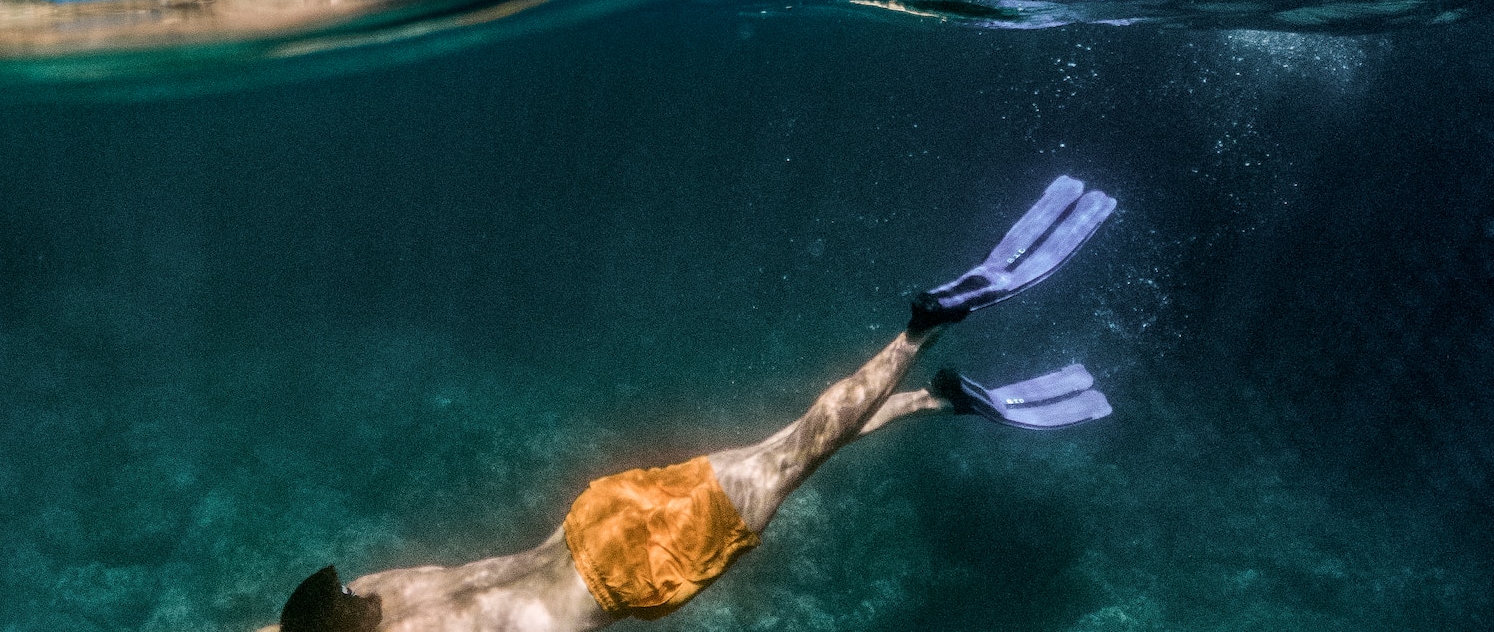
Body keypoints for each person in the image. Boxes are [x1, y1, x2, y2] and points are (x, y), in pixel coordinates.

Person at [273, 178, 1117, 632]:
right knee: (783, 447)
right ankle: (931, 402)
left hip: (640, 566)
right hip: (597, 519)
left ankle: (920, 331)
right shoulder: (374, 593)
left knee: (798, 451)